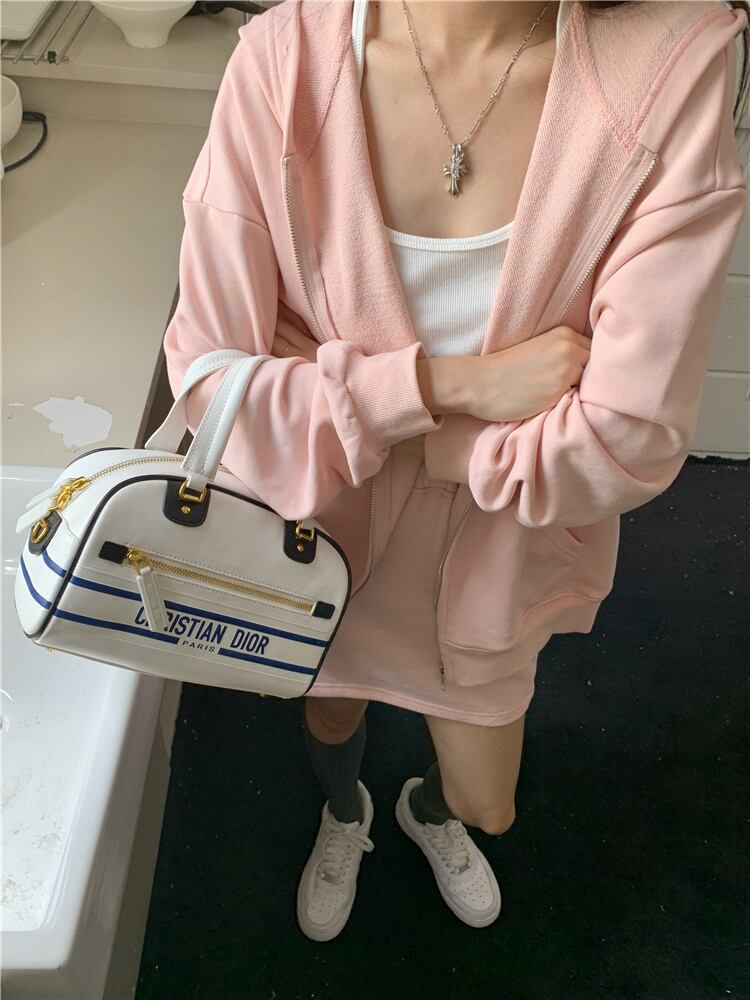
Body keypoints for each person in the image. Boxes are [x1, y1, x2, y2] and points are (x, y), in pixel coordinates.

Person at [161, 0, 749, 943]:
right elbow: (209, 382)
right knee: (330, 717)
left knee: (488, 802)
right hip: (317, 538)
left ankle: (425, 811)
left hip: (491, 554)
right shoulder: (283, 61)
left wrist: (357, 404)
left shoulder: (670, 67)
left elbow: (623, 440)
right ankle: (345, 813)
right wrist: (458, 386)